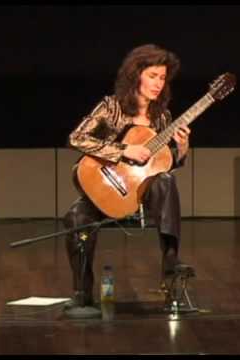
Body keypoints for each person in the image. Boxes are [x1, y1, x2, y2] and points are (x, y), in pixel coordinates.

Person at [63, 44, 193, 307]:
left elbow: (163, 165)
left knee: (166, 180)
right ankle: (82, 293)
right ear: (136, 75)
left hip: (145, 195)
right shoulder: (111, 107)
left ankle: (170, 265)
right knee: (76, 217)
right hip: (107, 190)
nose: (158, 83)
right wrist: (124, 150)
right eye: (152, 76)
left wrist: (181, 149)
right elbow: (76, 138)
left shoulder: (162, 117)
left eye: (162, 78)